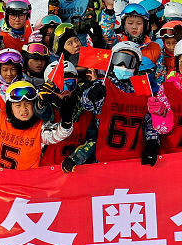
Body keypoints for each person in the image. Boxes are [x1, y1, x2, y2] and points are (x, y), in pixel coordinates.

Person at [65, 41, 160, 169]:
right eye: (119, 59)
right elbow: (85, 106)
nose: (123, 65)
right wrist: (91, 95)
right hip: (104, 158)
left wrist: (152, 144)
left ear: (136, 66)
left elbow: (149, 122)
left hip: (134, 160)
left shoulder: (142, 90)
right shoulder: (103, 85)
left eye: (129, 61)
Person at [0, 80, 74, 170]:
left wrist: (67, 121)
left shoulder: (39, 129)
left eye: (28, 104)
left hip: (21, 187)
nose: (24, 110)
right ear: (10, 107)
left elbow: (57, 134)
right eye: (18, 105)